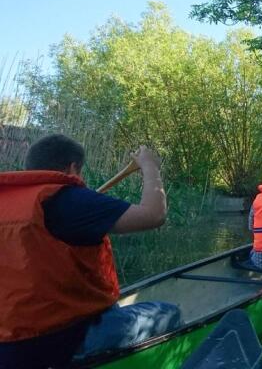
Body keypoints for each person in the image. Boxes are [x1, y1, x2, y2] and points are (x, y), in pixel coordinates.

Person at [0, 134, 181, 369]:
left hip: (8, 343)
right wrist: (150, 166)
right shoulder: (70, 199)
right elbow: (154, 214)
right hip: (58, 342)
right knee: (170, 313)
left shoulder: (7, 202)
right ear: (73, 168)